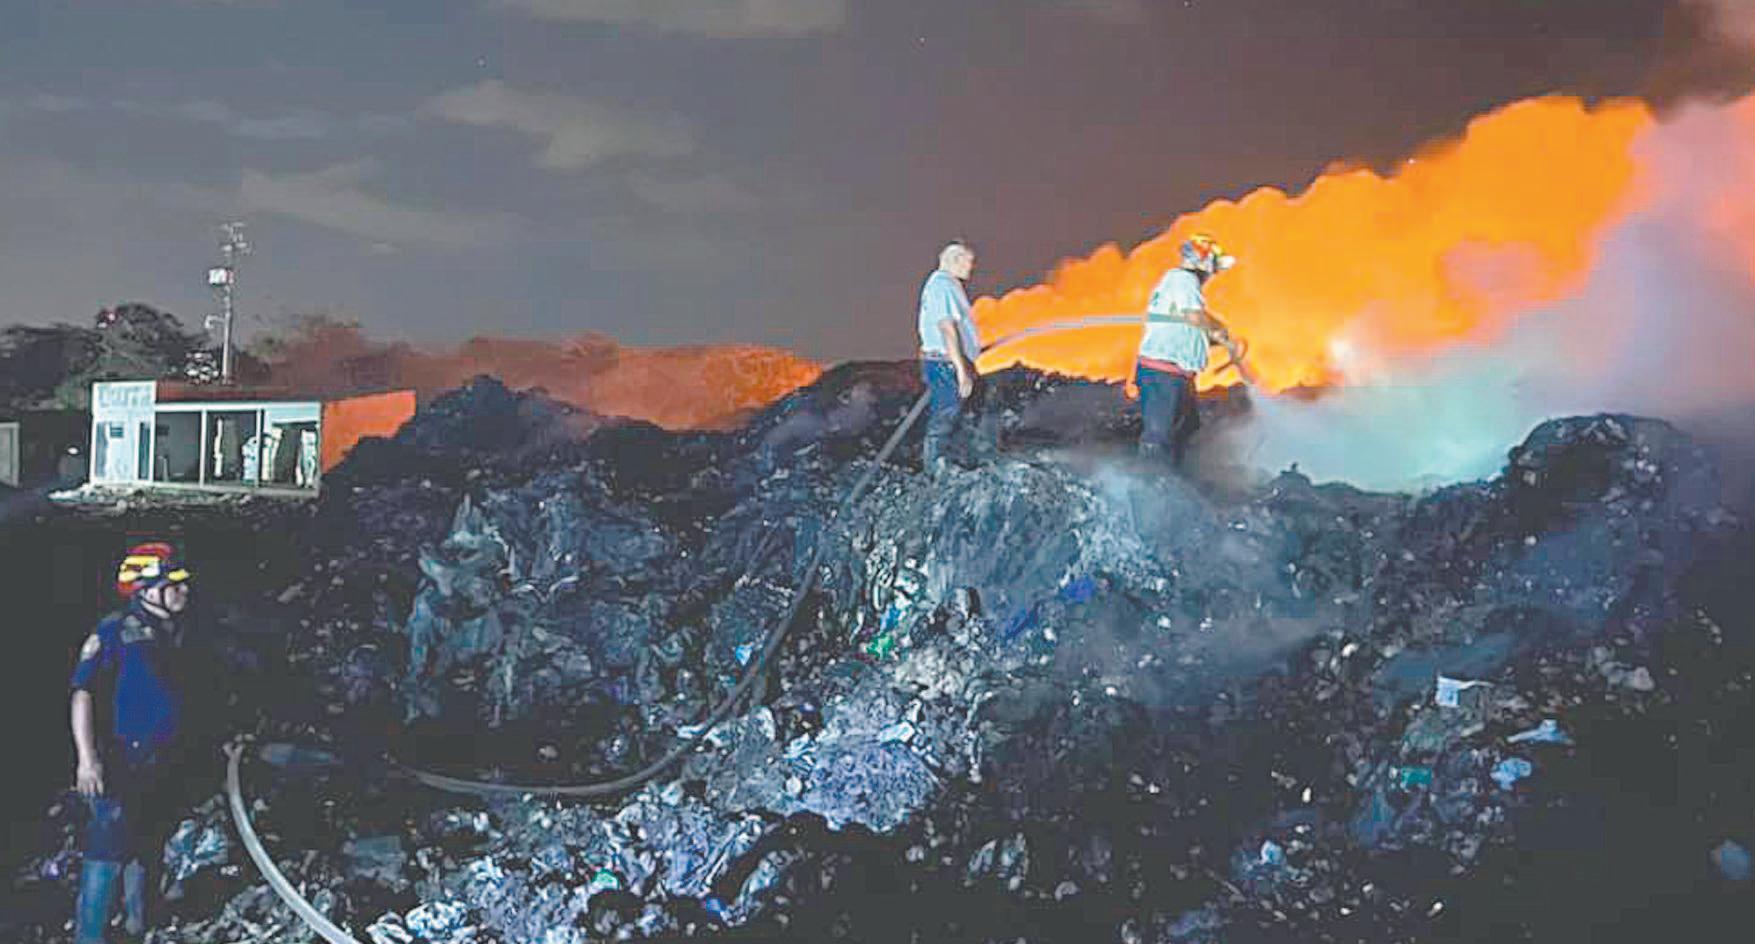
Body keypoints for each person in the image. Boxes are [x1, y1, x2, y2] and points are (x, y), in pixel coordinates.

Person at [70, 542, 194, 944]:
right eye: (173, 584)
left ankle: (137, 928)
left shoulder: (176, 632)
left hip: (160, 760)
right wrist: (88, 759)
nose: (184, 590)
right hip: (120, 758)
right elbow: (83, 693)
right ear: (146, 590)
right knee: (107, 850)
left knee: (147, 841)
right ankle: (90, 937)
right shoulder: (115, 630)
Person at [1136, 233, 1238, 464]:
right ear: (1202, 261)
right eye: (1213, 267)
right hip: (1163, 373)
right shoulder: (1183, 280)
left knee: (1188, 428)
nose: (1213, 274)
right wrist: (1220, 330)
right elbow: (1194, 317)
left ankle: (1175, 474)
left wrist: (1215, 337)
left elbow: (1188, 325)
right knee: (1160, 435)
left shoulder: (1179, 285)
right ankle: (1149, 478)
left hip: (1176, 374)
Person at [917, 241, 992, 473]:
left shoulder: (944, 284)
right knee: (946, 414)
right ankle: (937, 469)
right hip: (945, 363)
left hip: (945, 361)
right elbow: (947, 328)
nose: (971, 267)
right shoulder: (942, 285)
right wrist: (961, 370)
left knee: (956, 413)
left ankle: (955, 462)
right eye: (968, 262)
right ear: (955, 260)